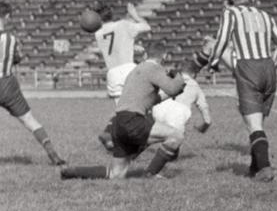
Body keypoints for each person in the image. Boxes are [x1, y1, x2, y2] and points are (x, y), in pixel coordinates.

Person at [0, 0, 67, 168]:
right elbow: (17, 58)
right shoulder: (13, 39)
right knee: (29, 120)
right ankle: (54, 155)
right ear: (8, 16)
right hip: (8, 85)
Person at [60, 42, 187, 180]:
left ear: (146, 54)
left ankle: (71, 172)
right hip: (133, 120)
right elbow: (173, 88)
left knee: (116, 174)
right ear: (165, 56)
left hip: (119, 122)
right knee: (176, 136)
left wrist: (177, 88)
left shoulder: (138, 70)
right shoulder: (155, 68)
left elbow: (151, 100)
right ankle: (150, 174)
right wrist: (179, 77)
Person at [206, 0, 277, 182]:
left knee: (254, 125)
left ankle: (265, 168)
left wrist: (213, 62)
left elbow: (222, 39)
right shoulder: (266, 16)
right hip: (268, 68)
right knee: (257, 123)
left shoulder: (231, 13)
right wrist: (272, 65)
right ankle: (254, 167)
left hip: (248, 69)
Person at [92, 1, 151, 150]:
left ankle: (112, 137)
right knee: (144, 106)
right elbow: (147, 27)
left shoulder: (98, 33)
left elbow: (115, 45)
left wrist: (131, 46)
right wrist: (135, 15)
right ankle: (139, 142)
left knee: (122, 113)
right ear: (112, 14)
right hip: (129, 70)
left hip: (112, 73)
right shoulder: (124, 25)